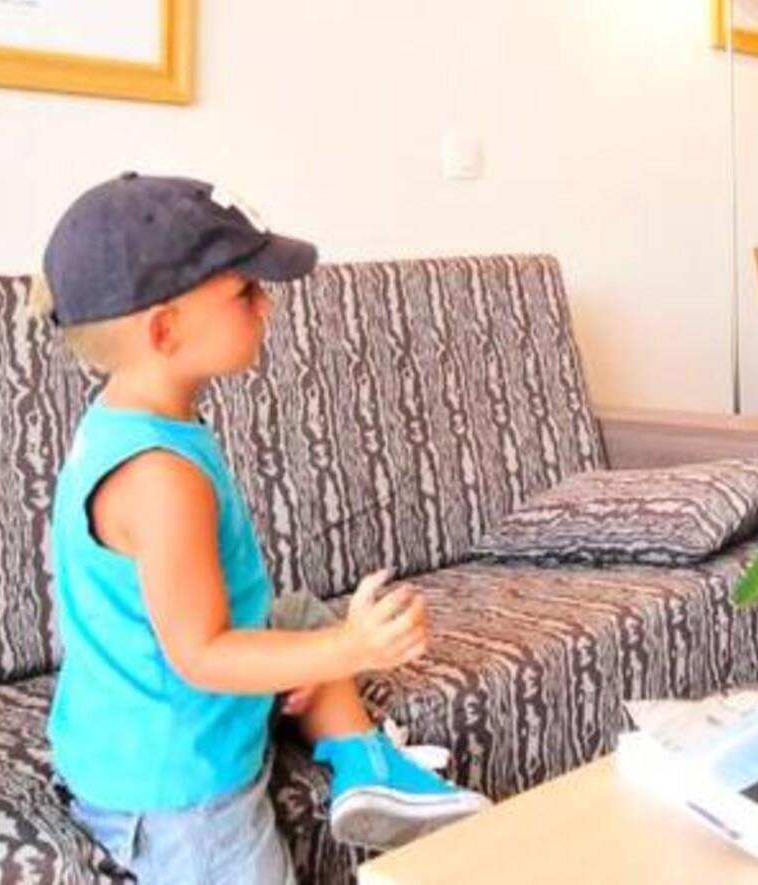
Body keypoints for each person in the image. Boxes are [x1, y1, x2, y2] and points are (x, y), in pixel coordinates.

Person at [36, 174, 488, 882]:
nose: (266, 303)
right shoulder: (159, 476)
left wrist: (315, 652)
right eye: (245, 291)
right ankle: (352, 741)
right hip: (178, 782)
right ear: (164, 330)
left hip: (125, 717)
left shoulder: (133, 419)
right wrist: (351, 647)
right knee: (319, 639)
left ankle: (365, 764)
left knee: (297, 612)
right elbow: (203, 655)